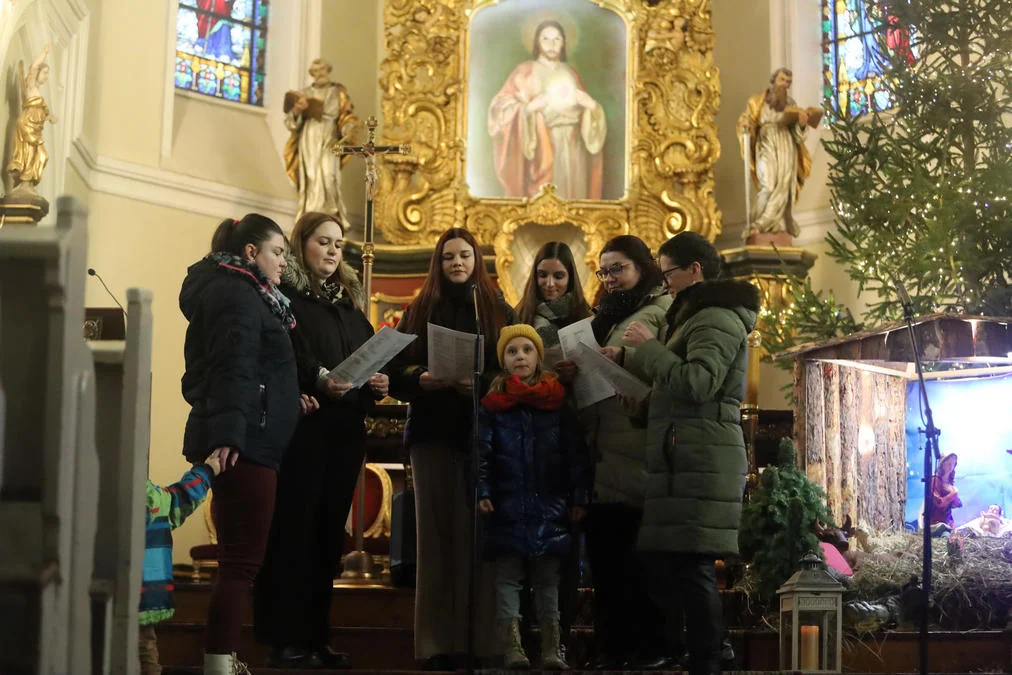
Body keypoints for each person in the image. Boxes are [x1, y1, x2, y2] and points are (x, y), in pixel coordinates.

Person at [614, 230, 758, 675]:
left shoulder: (714, 316)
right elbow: (682, 386)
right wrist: (644, 397)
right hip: (687, 452)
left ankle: (709, 659)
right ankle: (704, 651)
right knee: (669, 562)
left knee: (692, 565)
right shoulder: (693, 315)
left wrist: (648, 349)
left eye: (668, 272)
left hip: (702, 456)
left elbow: (698, 383)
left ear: (695, 269)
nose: (664, 283)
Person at [180, 213, 317, 675]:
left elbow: (256, 372)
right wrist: (228, 435)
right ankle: (218, 663)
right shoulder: (239, 293)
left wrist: (286, 399)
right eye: (278, 252)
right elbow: (232, 368)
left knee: (241, 560)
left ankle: (221, 659)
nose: (284, 262)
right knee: (241, 562)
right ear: (251, 253)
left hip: (252, 434)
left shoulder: (248, 293)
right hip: (246, 444)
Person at [254, 212, 390, 669]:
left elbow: (364, 355)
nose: (333, 251)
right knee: (295, 530)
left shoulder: (350, 305)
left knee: (328, 536)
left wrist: (375, 385)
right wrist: (312, 385)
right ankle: (283, 636)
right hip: (302, 432)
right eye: (323, 242)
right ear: (301, 245)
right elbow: (279, 359)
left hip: (344, 432)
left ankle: (316, 635)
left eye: (338, 244)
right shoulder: (285, 299)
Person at [389, 228, 516, 670]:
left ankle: (484, 642)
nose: (457, 263)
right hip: (433, 435)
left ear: (477, 261)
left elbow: (518, 366)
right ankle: (437, 642)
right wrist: (425, 378)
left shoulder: (497, 309)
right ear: (438, 264)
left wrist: (482, 383)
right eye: (448, 258)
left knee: (483, 543)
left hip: (486, 436)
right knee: (437, 539)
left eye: (464, 256)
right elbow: (394, 368)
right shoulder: (420, 308)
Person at [581, 235, 671, 669]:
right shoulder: (609, 313)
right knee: (608, 564)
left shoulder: (659, 309)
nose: (610, 278)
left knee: (635, 564)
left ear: (643, 267)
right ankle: (613, 649)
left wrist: (623, 356)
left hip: (636, 450)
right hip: (607, 450)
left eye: (618, 268)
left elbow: (667, 365)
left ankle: (644, 649)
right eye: (604, 271)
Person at [477, 325, 589, 670]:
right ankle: (513, 647)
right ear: (504, 361)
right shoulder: (494, 405)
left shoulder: (557, 401)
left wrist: (579, 497)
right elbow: (482, 453)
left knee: (547, 580)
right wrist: (483, 491)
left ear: (539, 357)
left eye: (527, 350)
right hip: (508, 504)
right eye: (512, 352)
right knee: (508, 578)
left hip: (550, 504)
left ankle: (552, 647)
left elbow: (575, 454)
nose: (520, 356)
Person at [513, 240, 591, 647]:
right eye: (543, 275)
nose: (550, 283)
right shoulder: (521, 317)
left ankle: (558, 637)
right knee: (521, 547)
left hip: (567, 438)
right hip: (524, 439)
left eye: (559, 276)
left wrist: (574, 374)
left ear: (571, 278)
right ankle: (520, 635)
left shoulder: (585, 320)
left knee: (563, 546)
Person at [488, 19, 606, 199]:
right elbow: (499, 108)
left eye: (557, 39)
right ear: (537, 42)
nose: (552, 44)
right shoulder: (525, 72)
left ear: (564, 43)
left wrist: (592, 107)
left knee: (573, 198)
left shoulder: (571, 73)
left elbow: (586, 113)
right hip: (543, 147)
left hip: (574, 145)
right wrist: (528, 109)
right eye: (546, 39)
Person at [139, 450, 227, 675]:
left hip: (103, 598)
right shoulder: (153, 499)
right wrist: (206, 470)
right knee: (145, 652)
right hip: (147, 598)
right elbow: (184, 496)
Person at [738, 67, 813, 239]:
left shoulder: (791, 104)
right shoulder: (758, 101)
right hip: (766, 142)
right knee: (768, 184)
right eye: (782, 80)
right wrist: (746, 127)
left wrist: (802, 123)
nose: (784, 85)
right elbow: (747, 120)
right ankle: (758, 222)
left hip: (786, 146)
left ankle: (768, 225)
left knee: (784, 186)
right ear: (773, 80)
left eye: (788, 82)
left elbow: (798, 135)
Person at [283, 58, 360, 221]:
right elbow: (291, 123)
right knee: (311, 176)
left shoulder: (338, 92)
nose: (320, 74)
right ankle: (311, 213)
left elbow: (346, 116)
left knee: (329, 175)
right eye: (316, 71)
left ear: (328, 71)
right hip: (309, 138)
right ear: (312, 74)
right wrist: (297, 112)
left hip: (329, 137)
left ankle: (332, 214)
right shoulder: (304, 93)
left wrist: (348, 130)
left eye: (323, 70)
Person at [7, 43, 57, 193]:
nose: (46, 77)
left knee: (42, 156)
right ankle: (25, 182)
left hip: (35, 128)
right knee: (32, 154)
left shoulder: (38, 92)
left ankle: (28, 182)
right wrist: (44, 53)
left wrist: (49, 118)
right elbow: (34, 67)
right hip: (27, 125)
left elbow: (40, 115)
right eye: (45, 73)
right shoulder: (30, 87)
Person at [930, 453, 962, 527]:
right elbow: (939, 503)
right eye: (948, 462)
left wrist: (954, 497)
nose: (950, 465)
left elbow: (958, 504)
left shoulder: (951, 485)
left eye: (953, 463)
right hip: (936, 523)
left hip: (948, 522)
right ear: (942, 463)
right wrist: (954, 493)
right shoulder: (935, 480)